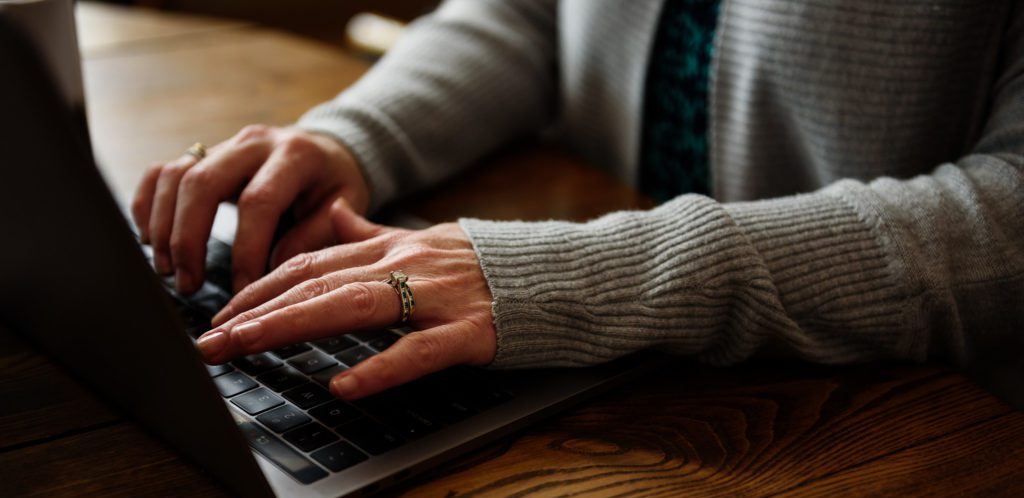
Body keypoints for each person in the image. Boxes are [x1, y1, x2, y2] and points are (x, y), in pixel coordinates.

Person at [132, 0, 1024, 401]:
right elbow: (531, 16)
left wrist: (582, 277)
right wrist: (356, 136)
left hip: (900, 419)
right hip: (618, 371)